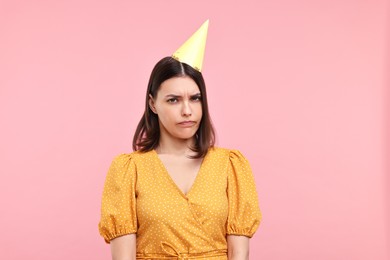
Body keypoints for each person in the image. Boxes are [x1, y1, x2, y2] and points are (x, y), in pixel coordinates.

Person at [98, 20, 261, 260]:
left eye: (195, 98)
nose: (187, 110)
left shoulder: (231, 166)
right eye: (173, 100)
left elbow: (240, 254)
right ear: (153, 104)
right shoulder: (128, 170)